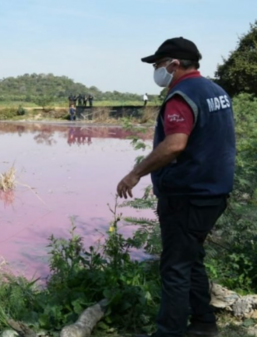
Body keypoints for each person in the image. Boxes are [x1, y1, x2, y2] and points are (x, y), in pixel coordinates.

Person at [116, 37, 236, 337]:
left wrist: (135, 173)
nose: (156, 70)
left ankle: (169, 332)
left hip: (188, 195)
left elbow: (174, 145)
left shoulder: (182, 95)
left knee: (174, 268)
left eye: (158, 64)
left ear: (175, 64)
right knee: (190, 257)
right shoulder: (215, 91)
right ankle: (204, 323)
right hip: (214, 193)